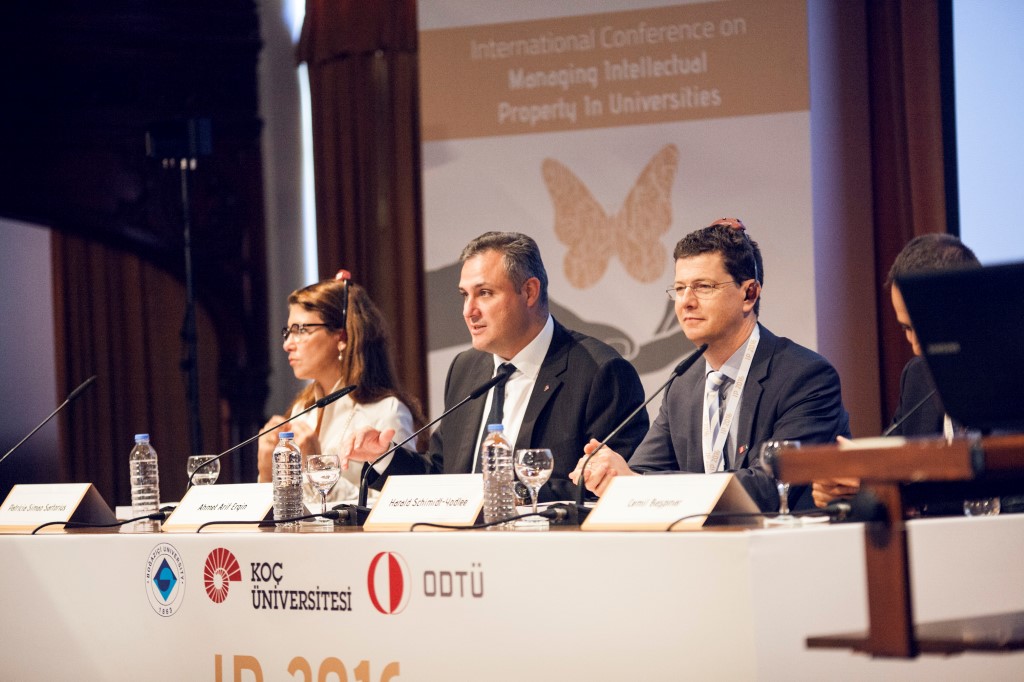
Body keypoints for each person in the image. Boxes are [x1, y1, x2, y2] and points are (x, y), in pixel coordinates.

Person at [342, 231, 648, 502]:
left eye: (484, 293)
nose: (468, 311)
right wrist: (384, 457)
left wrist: (507, 494)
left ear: (529, 292)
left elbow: (610, 487)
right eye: (465, 295)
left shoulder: (600, 372)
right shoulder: (466, 368)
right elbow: (443, 473)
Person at [570, 219, 850, 512]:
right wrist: (612, 476)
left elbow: (771, 486)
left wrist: (636, 483)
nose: (686, 302)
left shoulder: (805, 376)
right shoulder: (683, 383)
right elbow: (643, 471)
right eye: (679, 288)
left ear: (749, 294)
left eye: (703, 286)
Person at [812, 233, 980, 508]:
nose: (916, 346)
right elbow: (891, 470)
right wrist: (845, 487)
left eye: (924, 327)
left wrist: (875, 478)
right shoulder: (918, 377)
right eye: (906, 328)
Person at [257, 273, 424, 507]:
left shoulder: (386, 411)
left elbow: (399, 505)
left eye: (301, 330)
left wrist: (317, 467)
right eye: (288, 332)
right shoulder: (302, 410)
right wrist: (267, 474)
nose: (287, 344)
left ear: (342, 336)